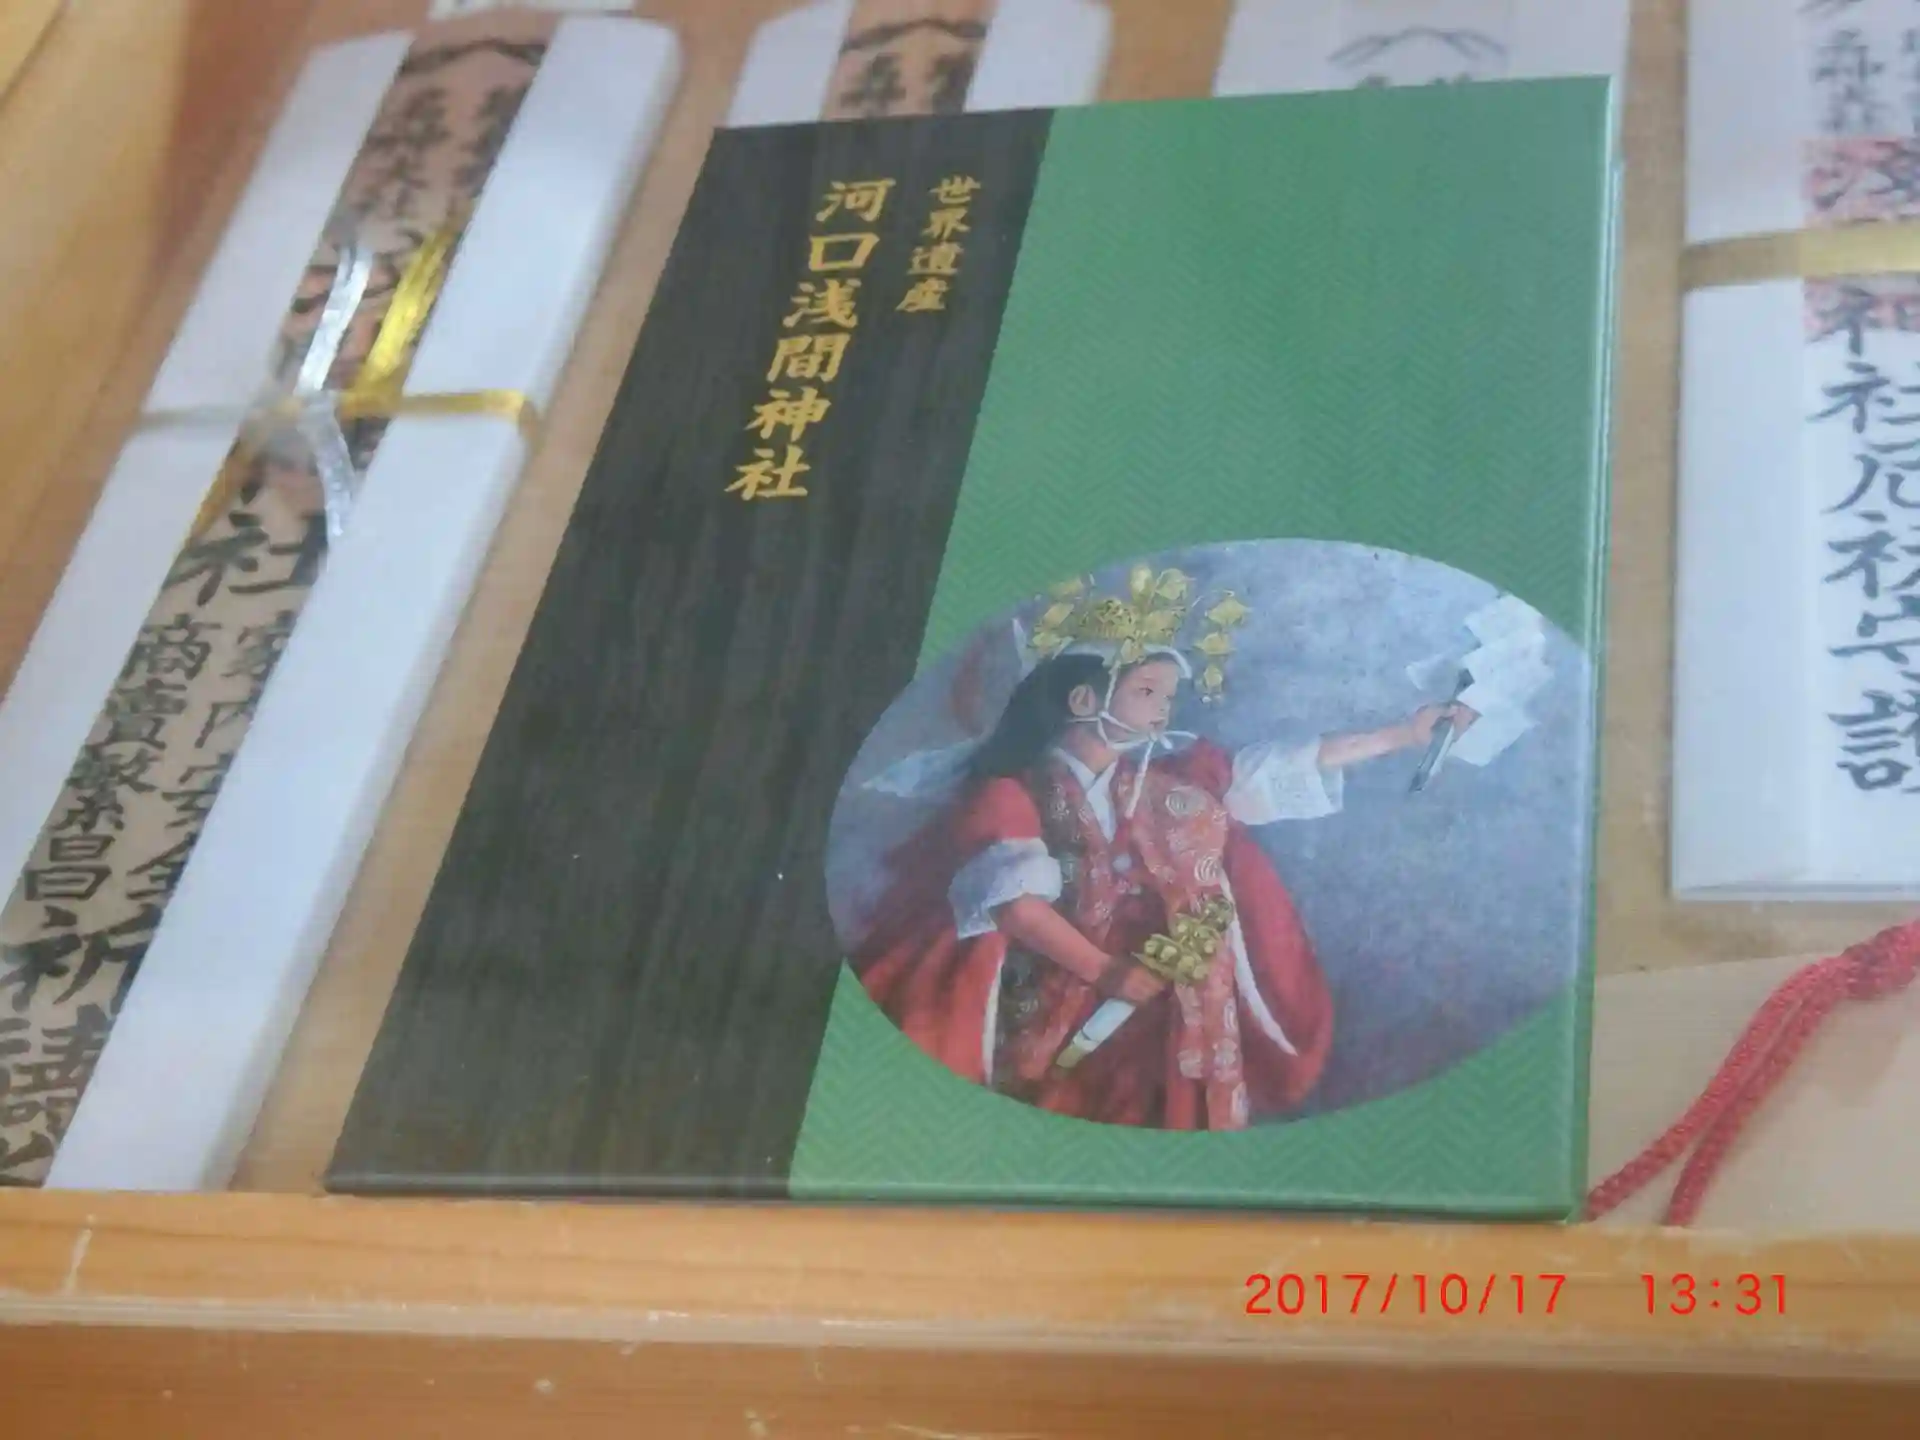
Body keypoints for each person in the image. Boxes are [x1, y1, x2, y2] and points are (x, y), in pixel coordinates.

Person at [854, 643, 1472, 1131]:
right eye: (1147, 691)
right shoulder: (1010, 794)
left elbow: (1285, 764)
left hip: (1177, 1012)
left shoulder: (1180, 779)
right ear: (1083, 699)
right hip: (1060, 1005)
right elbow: (1017, 907)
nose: (1163, 708)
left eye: (1168, 696)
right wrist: (1105, 971)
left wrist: (1403, 735)